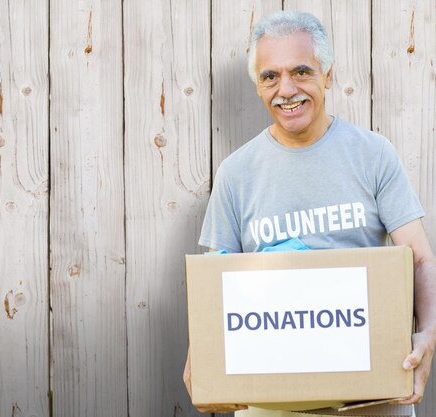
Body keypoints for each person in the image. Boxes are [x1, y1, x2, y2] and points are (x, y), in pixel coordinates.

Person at [183, 10, 436, 417]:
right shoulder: (236, 173)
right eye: (270, 76)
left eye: (301, 72)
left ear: (327, 75)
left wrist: (428, 334)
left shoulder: (372, 155)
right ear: (257, 85)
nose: (286, 89)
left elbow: (421, 258)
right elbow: (217, 281)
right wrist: (205, 357)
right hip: (270, 401)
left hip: (372, 397)